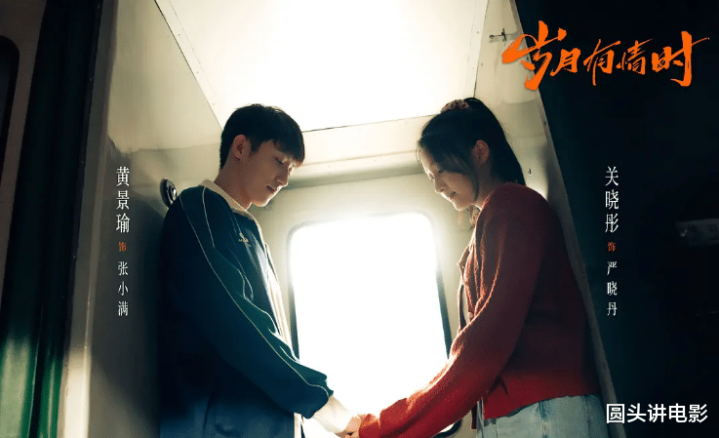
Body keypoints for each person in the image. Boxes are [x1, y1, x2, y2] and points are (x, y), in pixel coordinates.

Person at [354, 98, 608, 438]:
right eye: (430, 176)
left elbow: (485, 343)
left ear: (479, 152)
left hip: (541, 408)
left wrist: (383, 427)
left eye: (440, 170)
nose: (437, 186)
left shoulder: (510, 206)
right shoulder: (494, 219)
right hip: (529, 410)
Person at [157, 104, 361, 438]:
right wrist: (325, 407)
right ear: (240, 147)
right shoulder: (200, 208)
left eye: (290, 169)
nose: (284, 179)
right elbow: (237, 324)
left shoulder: (249, 230)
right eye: (279, 161)